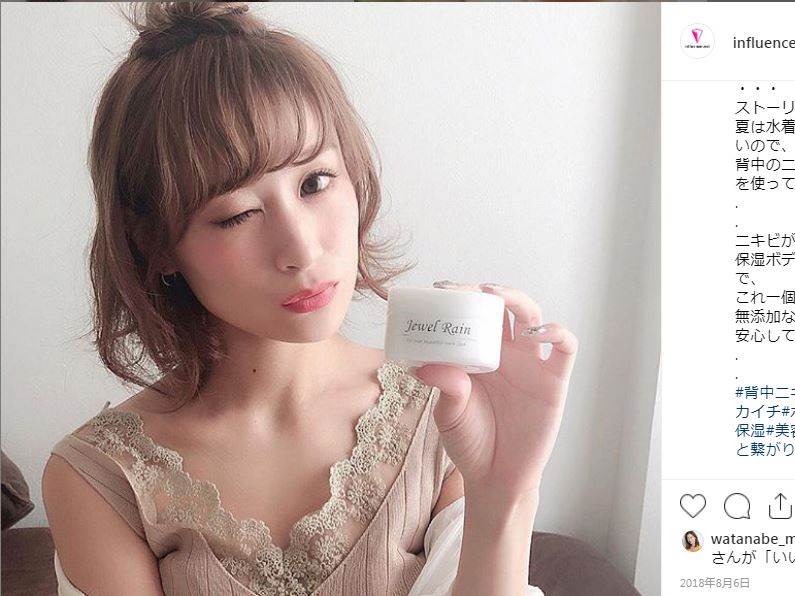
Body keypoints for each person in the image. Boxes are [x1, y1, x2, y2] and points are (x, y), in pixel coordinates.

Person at [41, 3, 578, 595]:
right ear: (156, 245)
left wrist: (505, 494)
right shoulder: (100, 477)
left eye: (315, 182)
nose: (301, 248)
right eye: (237, 214)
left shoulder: (444, 414)